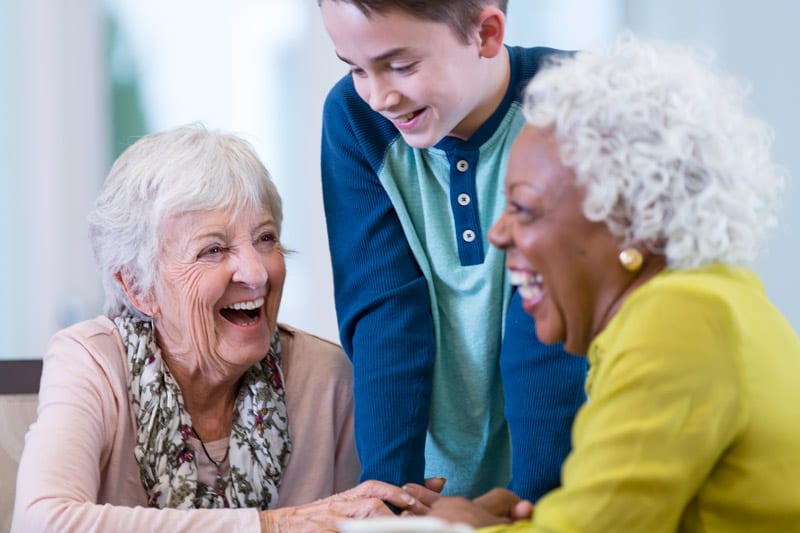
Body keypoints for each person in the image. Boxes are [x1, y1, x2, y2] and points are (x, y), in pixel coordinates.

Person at [404, 33, 800, 531]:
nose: (498, 234)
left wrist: (460, 526)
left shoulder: (681, 318)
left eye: (523, 208)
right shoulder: (710, 298)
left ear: (635, 222)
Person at [11, 125, 438, 532]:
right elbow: (42, 523)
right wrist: (272, 526)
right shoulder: (93, 362)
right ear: (138, 287)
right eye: (213, 250)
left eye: (266, 239)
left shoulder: (329, 379)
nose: (256, 273)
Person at [317, 0, 588, 500]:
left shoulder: (576, 104)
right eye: (355, 68)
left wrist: (531, 506)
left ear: (486, 33)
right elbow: (384, 313)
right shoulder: (354, 121)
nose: (378, 96)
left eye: (401, 66)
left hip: (574, 480)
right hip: (440, 487)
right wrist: (389, 496)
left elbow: (552, 329)